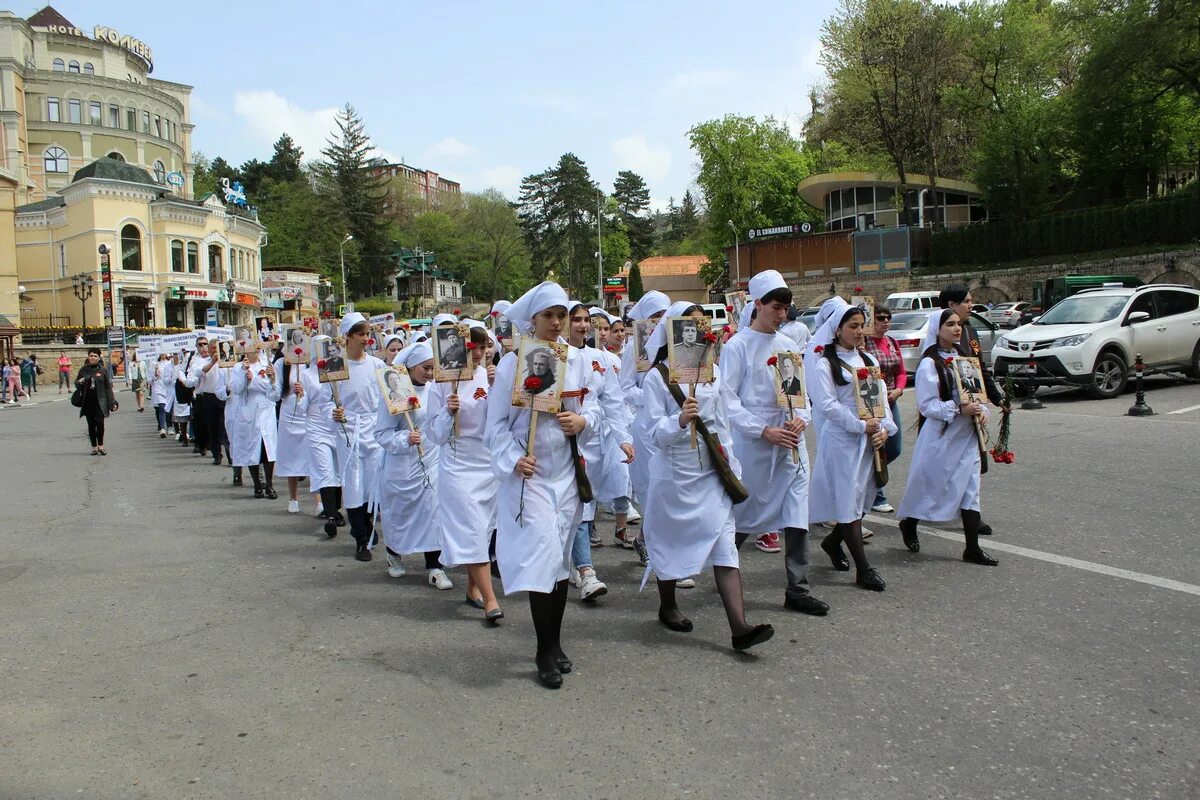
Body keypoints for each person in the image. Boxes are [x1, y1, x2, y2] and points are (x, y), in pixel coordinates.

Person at [485, 281, 600, 689]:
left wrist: (582, 421)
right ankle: (542, 648)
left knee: (560, 562)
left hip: (566, 476)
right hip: (530, 478)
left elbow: (595, 408)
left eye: (561, 315)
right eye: (548, 316)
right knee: (541, 557)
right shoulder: (510, 366)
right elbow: (495, 427)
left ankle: (553, 642)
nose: (556, 323)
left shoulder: (578, 361)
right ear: (532, 320)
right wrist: (514, 458)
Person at [641, 300, 775, 650]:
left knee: (725, 544)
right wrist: (680, 420)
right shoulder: (656, 377)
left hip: (712, 472)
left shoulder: (710, 371)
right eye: (690, 325)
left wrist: (731, 461)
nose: (697, 332)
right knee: (669, 541)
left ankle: (739, 627)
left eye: (702, 325)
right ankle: (667, 605)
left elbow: (722, 421)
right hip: (675, 475)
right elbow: (652, 433)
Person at [720, 271, 827, 616]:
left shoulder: (788, 346)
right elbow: (727, 399)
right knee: (744, 513)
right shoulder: (737, 346)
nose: (782, 315)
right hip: (756, 445)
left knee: (797, 513)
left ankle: (798, 588)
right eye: (776, 308)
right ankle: (724, 570)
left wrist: (801, 418)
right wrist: (762, 430)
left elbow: (801, 395)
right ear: (758, 304)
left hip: (791, 444)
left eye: (786, 309)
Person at [896, 310, 998, 566]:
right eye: (950, 324)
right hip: (942, 435)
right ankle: (910, 522)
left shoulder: (965, 359)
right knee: (931, 485)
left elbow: (976, 393)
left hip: (967, 435)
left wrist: (982, 410)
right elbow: (927, 405)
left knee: (970, 489)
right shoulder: (930, 364)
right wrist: (957, 410)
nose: (957, 329)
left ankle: (972, 548)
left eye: (959, 324)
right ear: (937, 329)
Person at [808, 305, 896, 592]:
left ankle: (833, 542)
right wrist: (860, 426)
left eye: (861, 326)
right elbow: (827, 406)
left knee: (861, 499)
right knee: (847, 499)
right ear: (837, 329)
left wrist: (883, 429)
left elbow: (880, 400)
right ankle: (864, 568)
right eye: (853, 326)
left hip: (868, 441)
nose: (859, 332)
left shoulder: (869, 359)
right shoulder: (825, 364)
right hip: (842, 442)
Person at [426, 322, 502, 618]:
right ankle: (491, 600)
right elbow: (435, 434)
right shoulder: (443, 382)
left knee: (483, 531)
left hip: (486, 462)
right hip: (457, 464)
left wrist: (497, 388)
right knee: (470, 529)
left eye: (484, 347)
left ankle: (473, 589)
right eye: (473, 347)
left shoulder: (491, 377)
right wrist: (448, 411)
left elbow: (501, 422)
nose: (479, 353)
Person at [375, 339, 453, 589]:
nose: (430, 374)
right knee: (400, 514)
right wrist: (405, 438)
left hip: (431, 460)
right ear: (409, 368)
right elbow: (382, 433)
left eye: (433, 368)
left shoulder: (435, 390)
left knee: (433, 512)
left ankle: (435, 566)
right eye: (425, 368)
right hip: (402, 464)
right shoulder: (393, 394)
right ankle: (394, 555)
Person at [939, 284, 1005, 537]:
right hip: (949, 412)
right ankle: (916, 515)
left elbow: (979, 368)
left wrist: (997, 399)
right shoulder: (936, 336)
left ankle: (970, 515)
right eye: (966, 301)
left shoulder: (971, 332)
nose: (970, 305)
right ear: (951, 305)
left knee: (976, 465)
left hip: (971, 408)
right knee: (943, 469)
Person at [329, 313, 386, 561]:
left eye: (367, 334)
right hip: (349, 431)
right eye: (361, 334)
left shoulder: (377, 366)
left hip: (373, 430)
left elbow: (386, 399)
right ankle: (360, 538)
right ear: (348, 336)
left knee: (373, 485)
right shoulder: (336, 366)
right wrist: (334, 412)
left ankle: (370, 526)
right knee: (354, 485)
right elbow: (324, 400)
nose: (366, 339)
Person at [619, 290, 671, 557]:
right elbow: (625, 388)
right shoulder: (633, 348)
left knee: (669, 489)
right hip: (646, 424)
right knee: (653, 487)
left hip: (674, 423)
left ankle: (647, 539)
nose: (660, 322)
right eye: (655, 316)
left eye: (665, 316)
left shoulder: (676, 347)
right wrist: (653, 393)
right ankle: (653, 546)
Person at [863, 306, 907, 513]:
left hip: (891, 398)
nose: (886, 321)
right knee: (876, 446)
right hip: (873, 400)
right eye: (881, 318)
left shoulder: (892, 342)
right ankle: (877, 492)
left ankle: (872, 482)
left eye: (888, 318)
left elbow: (901, 371)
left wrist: (898, 389)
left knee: (894, 446)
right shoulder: (865, 344)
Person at [303, 336, 347, 535]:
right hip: (317, 426)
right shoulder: (305, 374)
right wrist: (299, 396)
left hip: (337, 424)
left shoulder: (340, 369)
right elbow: (302, 405)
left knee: (338, 470)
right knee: (324, 469)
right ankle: (330, 514)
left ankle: (336, 509)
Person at [228, 347, 281, 498]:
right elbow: (237, 390)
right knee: (252, 450)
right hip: (248, 412)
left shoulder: (268, 364)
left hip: (266, 413)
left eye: (257, 348)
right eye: (252, 349)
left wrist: (260, 381)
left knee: (268, 451)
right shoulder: (238, 368)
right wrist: (245, 376)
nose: (255, 351)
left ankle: (269, 485)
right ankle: (257, 484)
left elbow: (275, 392)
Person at [179, 336, 228, 463]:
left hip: (224, 397)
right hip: (208, 397)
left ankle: (230, 456)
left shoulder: (226, 360)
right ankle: (216, 454)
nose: (204, 347)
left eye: (206, 345)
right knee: (211, 427)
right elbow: (199, 373)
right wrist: (212, 362)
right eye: (212, 348)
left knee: (224, 428)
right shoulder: (198, 361)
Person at [274, 348, 311, 514]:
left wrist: (304, 392)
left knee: (312, 455)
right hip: (289, 412)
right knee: (291, 455)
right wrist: (271, 379)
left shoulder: (310, 363)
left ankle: (319, 500)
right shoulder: (281, 364)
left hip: (308, 411)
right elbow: (275, 394)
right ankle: (293, 498)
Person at [75, 348, 117, 455]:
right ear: (88, 357)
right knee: (91, 424)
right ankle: (94, 447)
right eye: (91, 356)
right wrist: (80, 381)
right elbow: (76, 383)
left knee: (100, 422)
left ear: (99, 357)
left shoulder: (103, 370)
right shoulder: (83, 369)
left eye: (95, 356)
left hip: (100, 401)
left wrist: (112, 401)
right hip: (88, 401)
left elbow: (108, 387)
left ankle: (100, 445)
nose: (92, 358)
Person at [151, 353, 176, 437]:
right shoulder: (155, 364)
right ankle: (163, 429)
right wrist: (155, 372)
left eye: (164, 353)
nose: (163, 354)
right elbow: (153, 378)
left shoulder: (170, 364)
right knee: (162, 407)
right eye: (161, 353)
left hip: (169, 389)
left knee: (168, 409)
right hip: (159, 388)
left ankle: (169, 427)